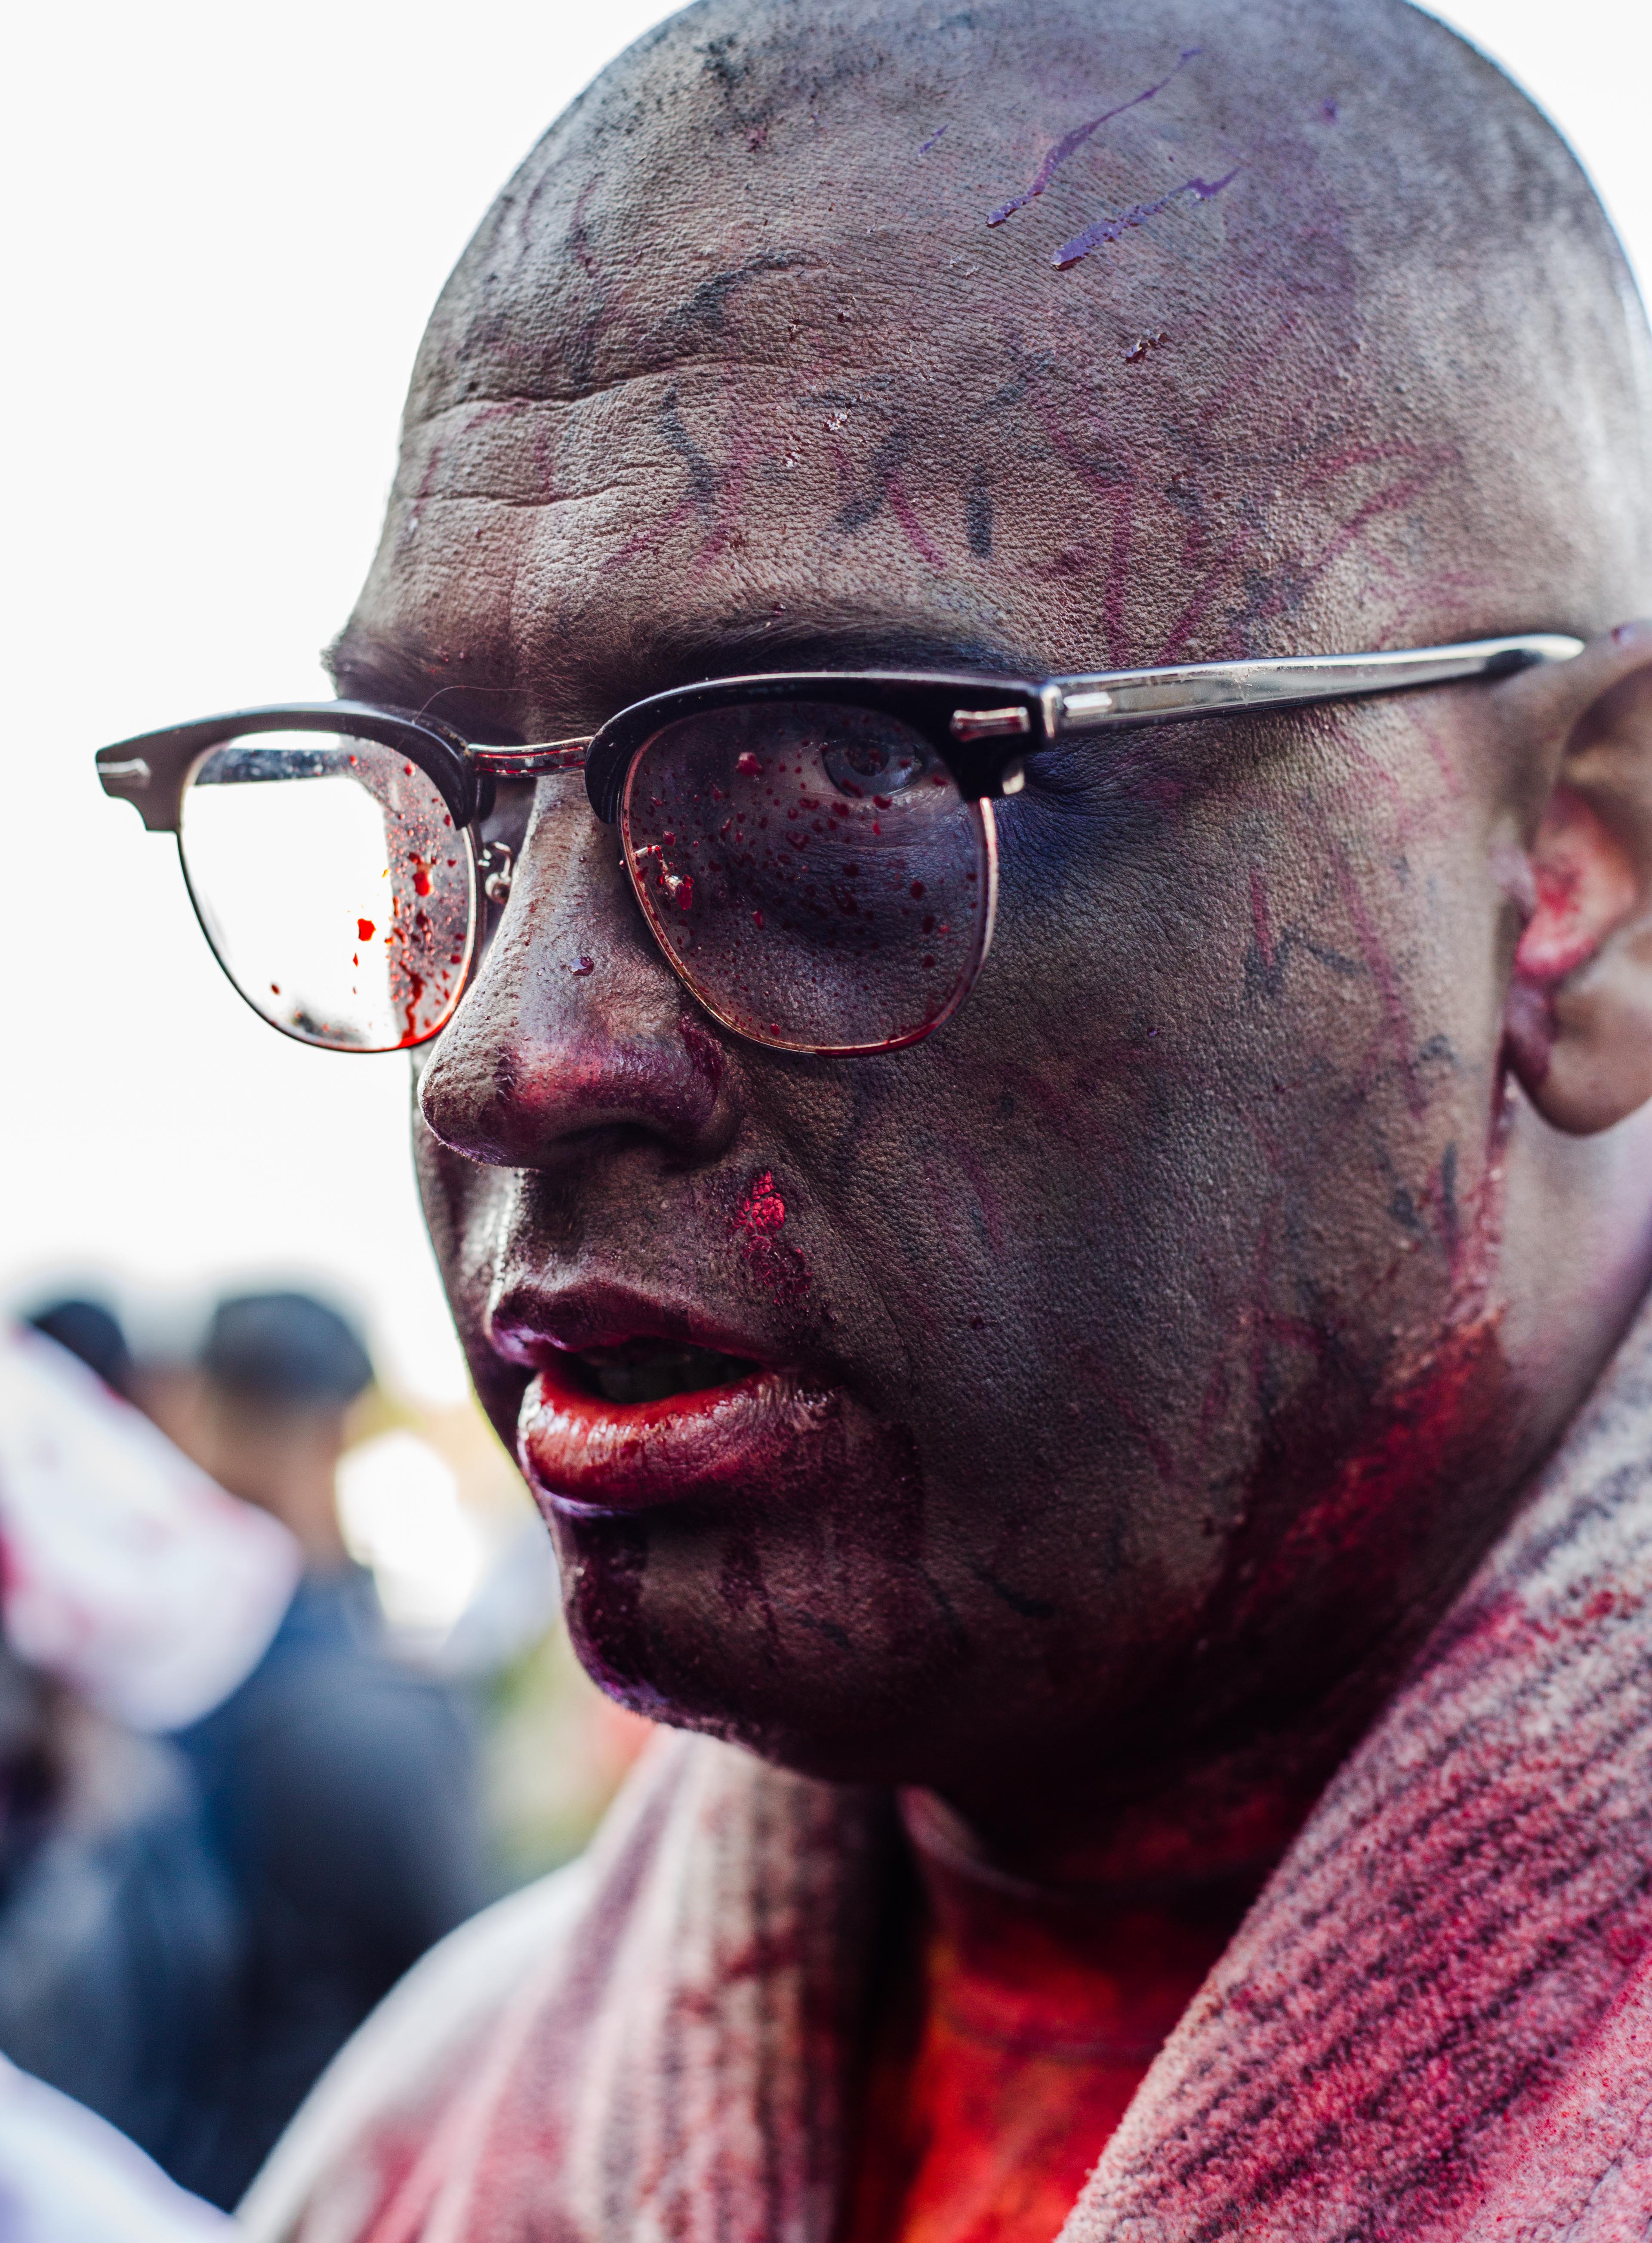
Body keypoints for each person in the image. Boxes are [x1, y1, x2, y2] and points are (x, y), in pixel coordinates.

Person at [92, 0, 1652, 2232]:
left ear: (1582, 873)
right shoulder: (432, 2148)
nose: (499, 1056)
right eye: (443, 812)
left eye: (837, 775)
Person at [173, 1294, 485, 2208]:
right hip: (316, 2179)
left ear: (200, 1409)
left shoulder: (131, 1666)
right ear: (340, 1429)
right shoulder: (367, 1713)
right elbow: (455, 1971)